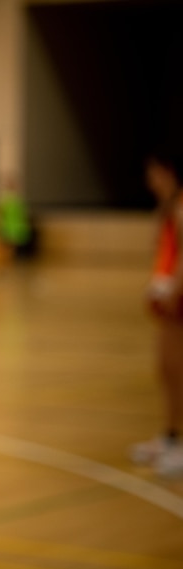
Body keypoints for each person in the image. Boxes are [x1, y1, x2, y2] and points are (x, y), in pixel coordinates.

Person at [130, 151, 183, 477]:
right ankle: (169, 435)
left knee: (177, 370)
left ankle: (178, 443)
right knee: (165, 368)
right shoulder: (164, 210)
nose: (150, 181)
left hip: (179, 298)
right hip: (167, 295)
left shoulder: (180, 208)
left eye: (154, 173)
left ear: (168, 172)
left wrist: (174, 290)